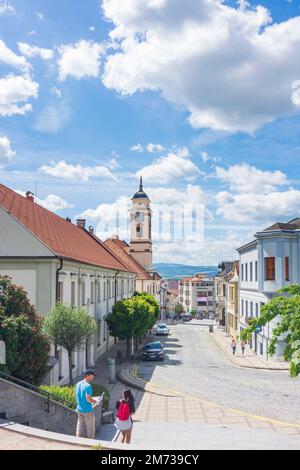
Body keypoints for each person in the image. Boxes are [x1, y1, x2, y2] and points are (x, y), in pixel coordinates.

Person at [75, 370, 97, 439]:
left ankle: (77, 439)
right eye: (92, 375)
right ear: (87, 375)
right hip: (87, 410)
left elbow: (75, 395)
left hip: (79, 409)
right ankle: (90, 443)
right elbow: (88, 399)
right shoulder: (88, 386)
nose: (93, 377)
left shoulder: (78, 383)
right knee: (90, 428)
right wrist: (95, 402)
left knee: (80, 425)